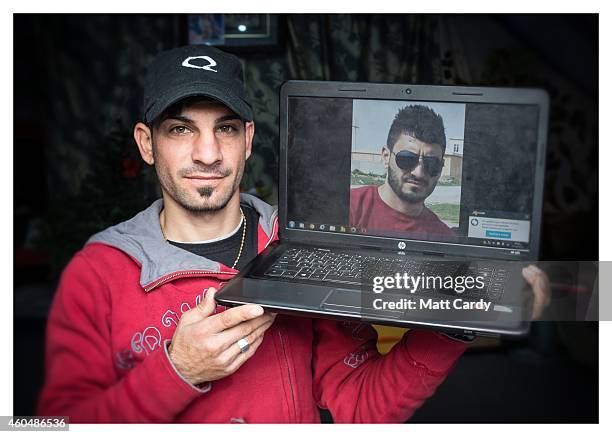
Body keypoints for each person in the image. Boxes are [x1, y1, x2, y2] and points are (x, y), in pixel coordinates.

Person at [37, 45, 551, 423]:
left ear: (248, 140)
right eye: (180, 129)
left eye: (226, 128)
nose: (208, 154)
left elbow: (360, 406)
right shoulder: (98, 273)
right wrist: (177, 370)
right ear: (147, 144)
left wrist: (453, 320)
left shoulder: (305, 250)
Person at [350, 105, 455, 239]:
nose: (419, 172)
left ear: (441, 167)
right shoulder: (350, 207)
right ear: (386, 156)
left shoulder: (444, 237)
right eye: (407, 158)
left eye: (431, 163)